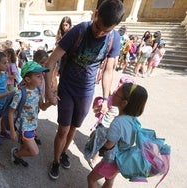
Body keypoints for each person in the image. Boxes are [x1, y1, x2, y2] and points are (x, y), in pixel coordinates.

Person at [44, 0, 124, 180]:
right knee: (63, 130)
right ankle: (55, 160)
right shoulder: (78, 31)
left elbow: (109, 70)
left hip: (86, 91)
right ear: (96, 14)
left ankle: (64, 152)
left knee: (74, 127)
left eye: (106, 30)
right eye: (98, 27)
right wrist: (49, 92)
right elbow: (50, 63)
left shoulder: (114, 39)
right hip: (67, 88)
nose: (100, 33)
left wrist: (105, 99)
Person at [87, 83, 148, 188]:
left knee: (91, 179)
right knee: (109, 179)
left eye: (116, 93)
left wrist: (96, 135)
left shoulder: (118, 122)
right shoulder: (133, 120)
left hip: (111, 161)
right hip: (122, 159)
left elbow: (108, 145)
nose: (113, 94)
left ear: (124, 103)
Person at [9, 61, 52, 167]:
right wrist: (12, 131)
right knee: (34, 151)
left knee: (26, 146)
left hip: (33, 124)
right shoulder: (20, 93)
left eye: (41, 75)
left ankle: (19, 155)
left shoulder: (37, 91)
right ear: (28, 79)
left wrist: (50, 103)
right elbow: (10, 113)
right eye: (38, 76)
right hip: (24, 126)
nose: (41, 78)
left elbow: (42, 107)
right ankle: (16, 154)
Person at [53, 16, 73, 92]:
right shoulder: (60, 35)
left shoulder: (72, 35)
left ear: (70, 25)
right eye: (63, 25)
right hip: (59, 60)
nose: (64, 27)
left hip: (67, 60)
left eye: (66, 25)